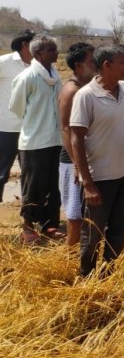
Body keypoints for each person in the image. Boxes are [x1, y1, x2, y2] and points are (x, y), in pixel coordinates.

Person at [70, 45, 124, 277]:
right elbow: (76, 139)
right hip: (99, 179)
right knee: (93, 233)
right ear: (106, 65)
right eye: (123, 63)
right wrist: (87, 183)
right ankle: (86, 277)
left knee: (118, 229)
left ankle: (109, 275)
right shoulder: (86, 95)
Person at [8, 34, 64, 244]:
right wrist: (35, 122)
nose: (56, 52)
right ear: (38, 53)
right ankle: (28, 226)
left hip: (54, 139)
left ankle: (49, 225)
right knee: (33, 186)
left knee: (51, 185)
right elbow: (16, 107)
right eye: (51, 49)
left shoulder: (55, 76)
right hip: (34, 141)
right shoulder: (27, 77)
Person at [58, 43, 96, 247]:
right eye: (92, 61)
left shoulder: (86, 89)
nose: (96, 65)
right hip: (72, 160)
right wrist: (77, 164)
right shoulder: (71, 90)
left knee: (83, 211)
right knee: (74, 214)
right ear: (79, 66)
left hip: (82, 159)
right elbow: (66, 129)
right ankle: (68, 255)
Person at [0, 29, 34, 203]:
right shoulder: (5, 62)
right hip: (6, 128)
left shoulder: (38, 66)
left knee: (29, 173)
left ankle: (28, 212)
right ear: (25, 45)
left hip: (30, 129)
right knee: (1, 173)